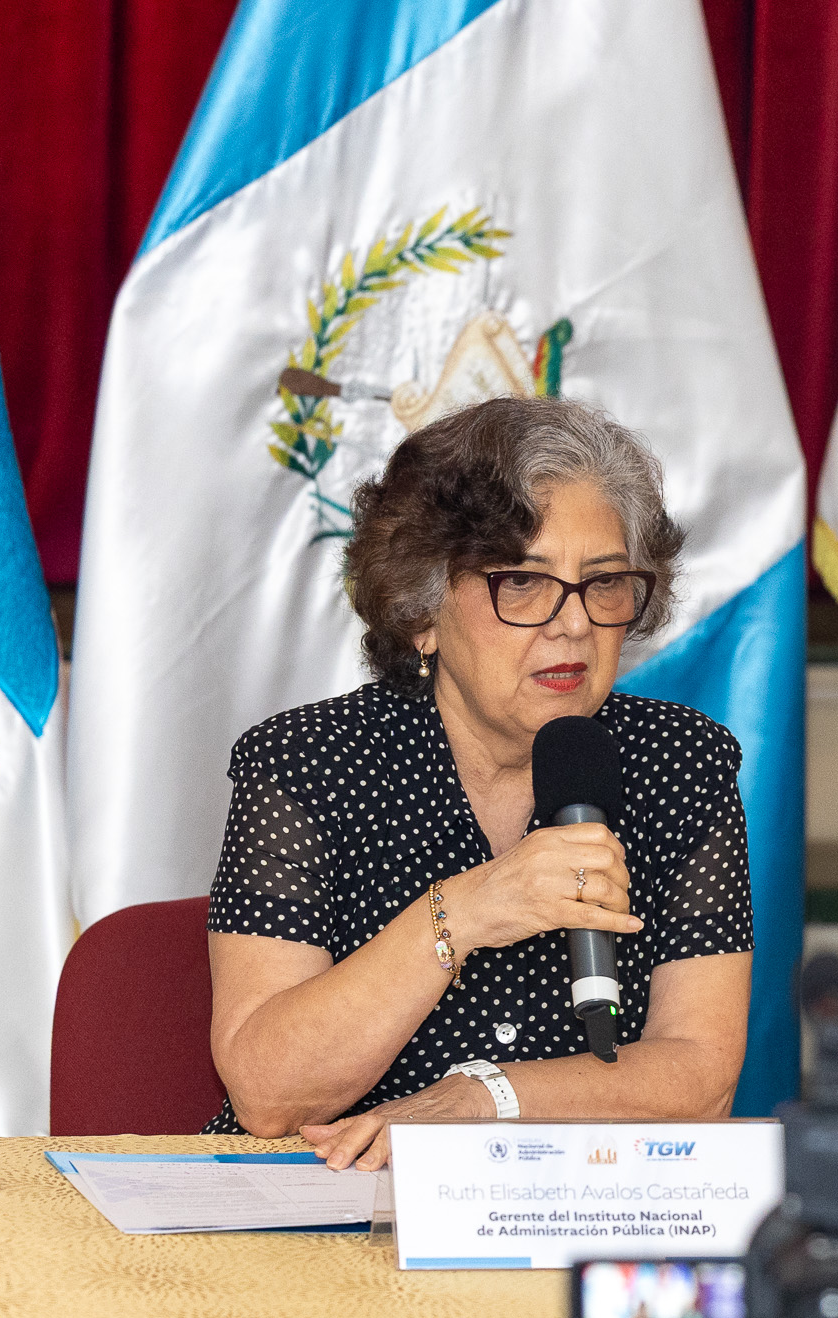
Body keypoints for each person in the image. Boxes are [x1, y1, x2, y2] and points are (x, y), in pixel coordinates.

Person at [203, 396, 753, 1168]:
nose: (574, 624)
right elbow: (268, 1095)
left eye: (604, 583)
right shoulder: (306, 765)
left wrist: (482, 1098)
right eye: (522, 581)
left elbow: (700, 1077)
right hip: (331, 1200)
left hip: (569, 1203)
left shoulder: (680, 764)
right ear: (421, 611)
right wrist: (465, 911)